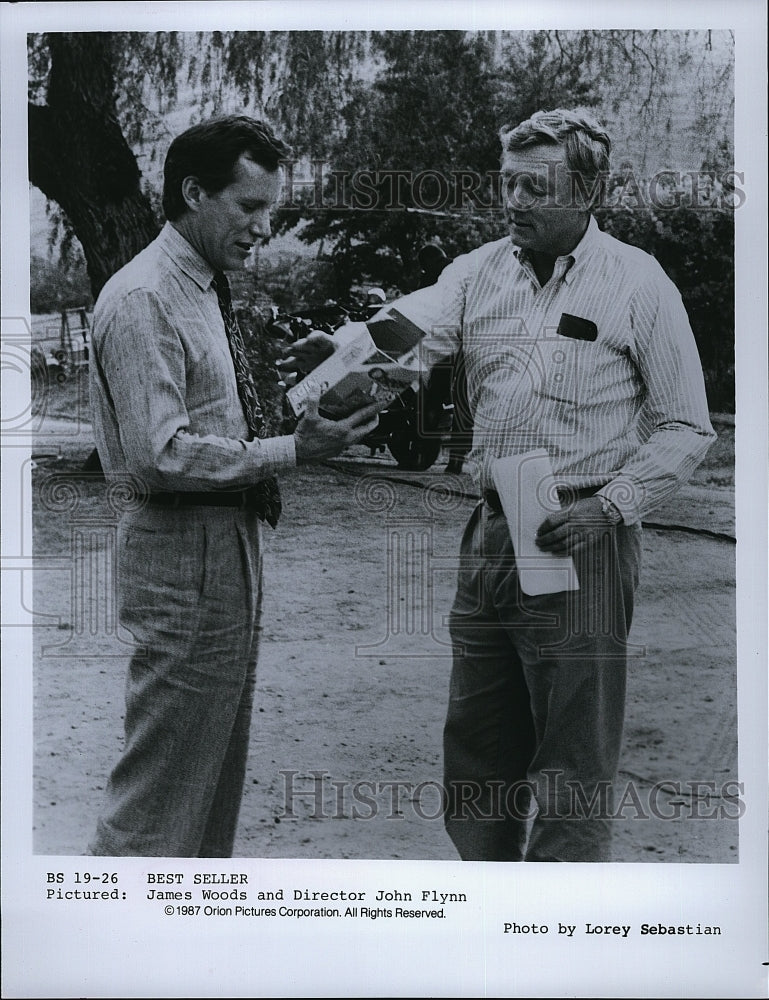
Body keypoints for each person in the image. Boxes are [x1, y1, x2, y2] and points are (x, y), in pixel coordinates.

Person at [291, 108, 716, 862]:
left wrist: (610, 508)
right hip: (490, 536)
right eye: (507, 184)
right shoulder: (477, 272)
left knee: (571, 763)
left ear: (587, 191)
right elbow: (407, 335)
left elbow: (687, 424)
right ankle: (485, 917)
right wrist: (343, 357)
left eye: (534, 187)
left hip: (581, 536)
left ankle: (556, 938)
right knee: (477, 757)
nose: (512, 202)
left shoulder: (637, 283)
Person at [87, 115, 380, 857]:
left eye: (271, 210)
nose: (264, 227)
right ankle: (108, 951)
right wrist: (289, 447)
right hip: (184, 551)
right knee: (158, 795)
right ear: (193, 193)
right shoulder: (145, 297)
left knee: (208, 777)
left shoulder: (200, 288)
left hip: (226, 543)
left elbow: (206, 419)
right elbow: (157, 454)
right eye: (249, 207)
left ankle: (181, 946)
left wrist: (308, 397)